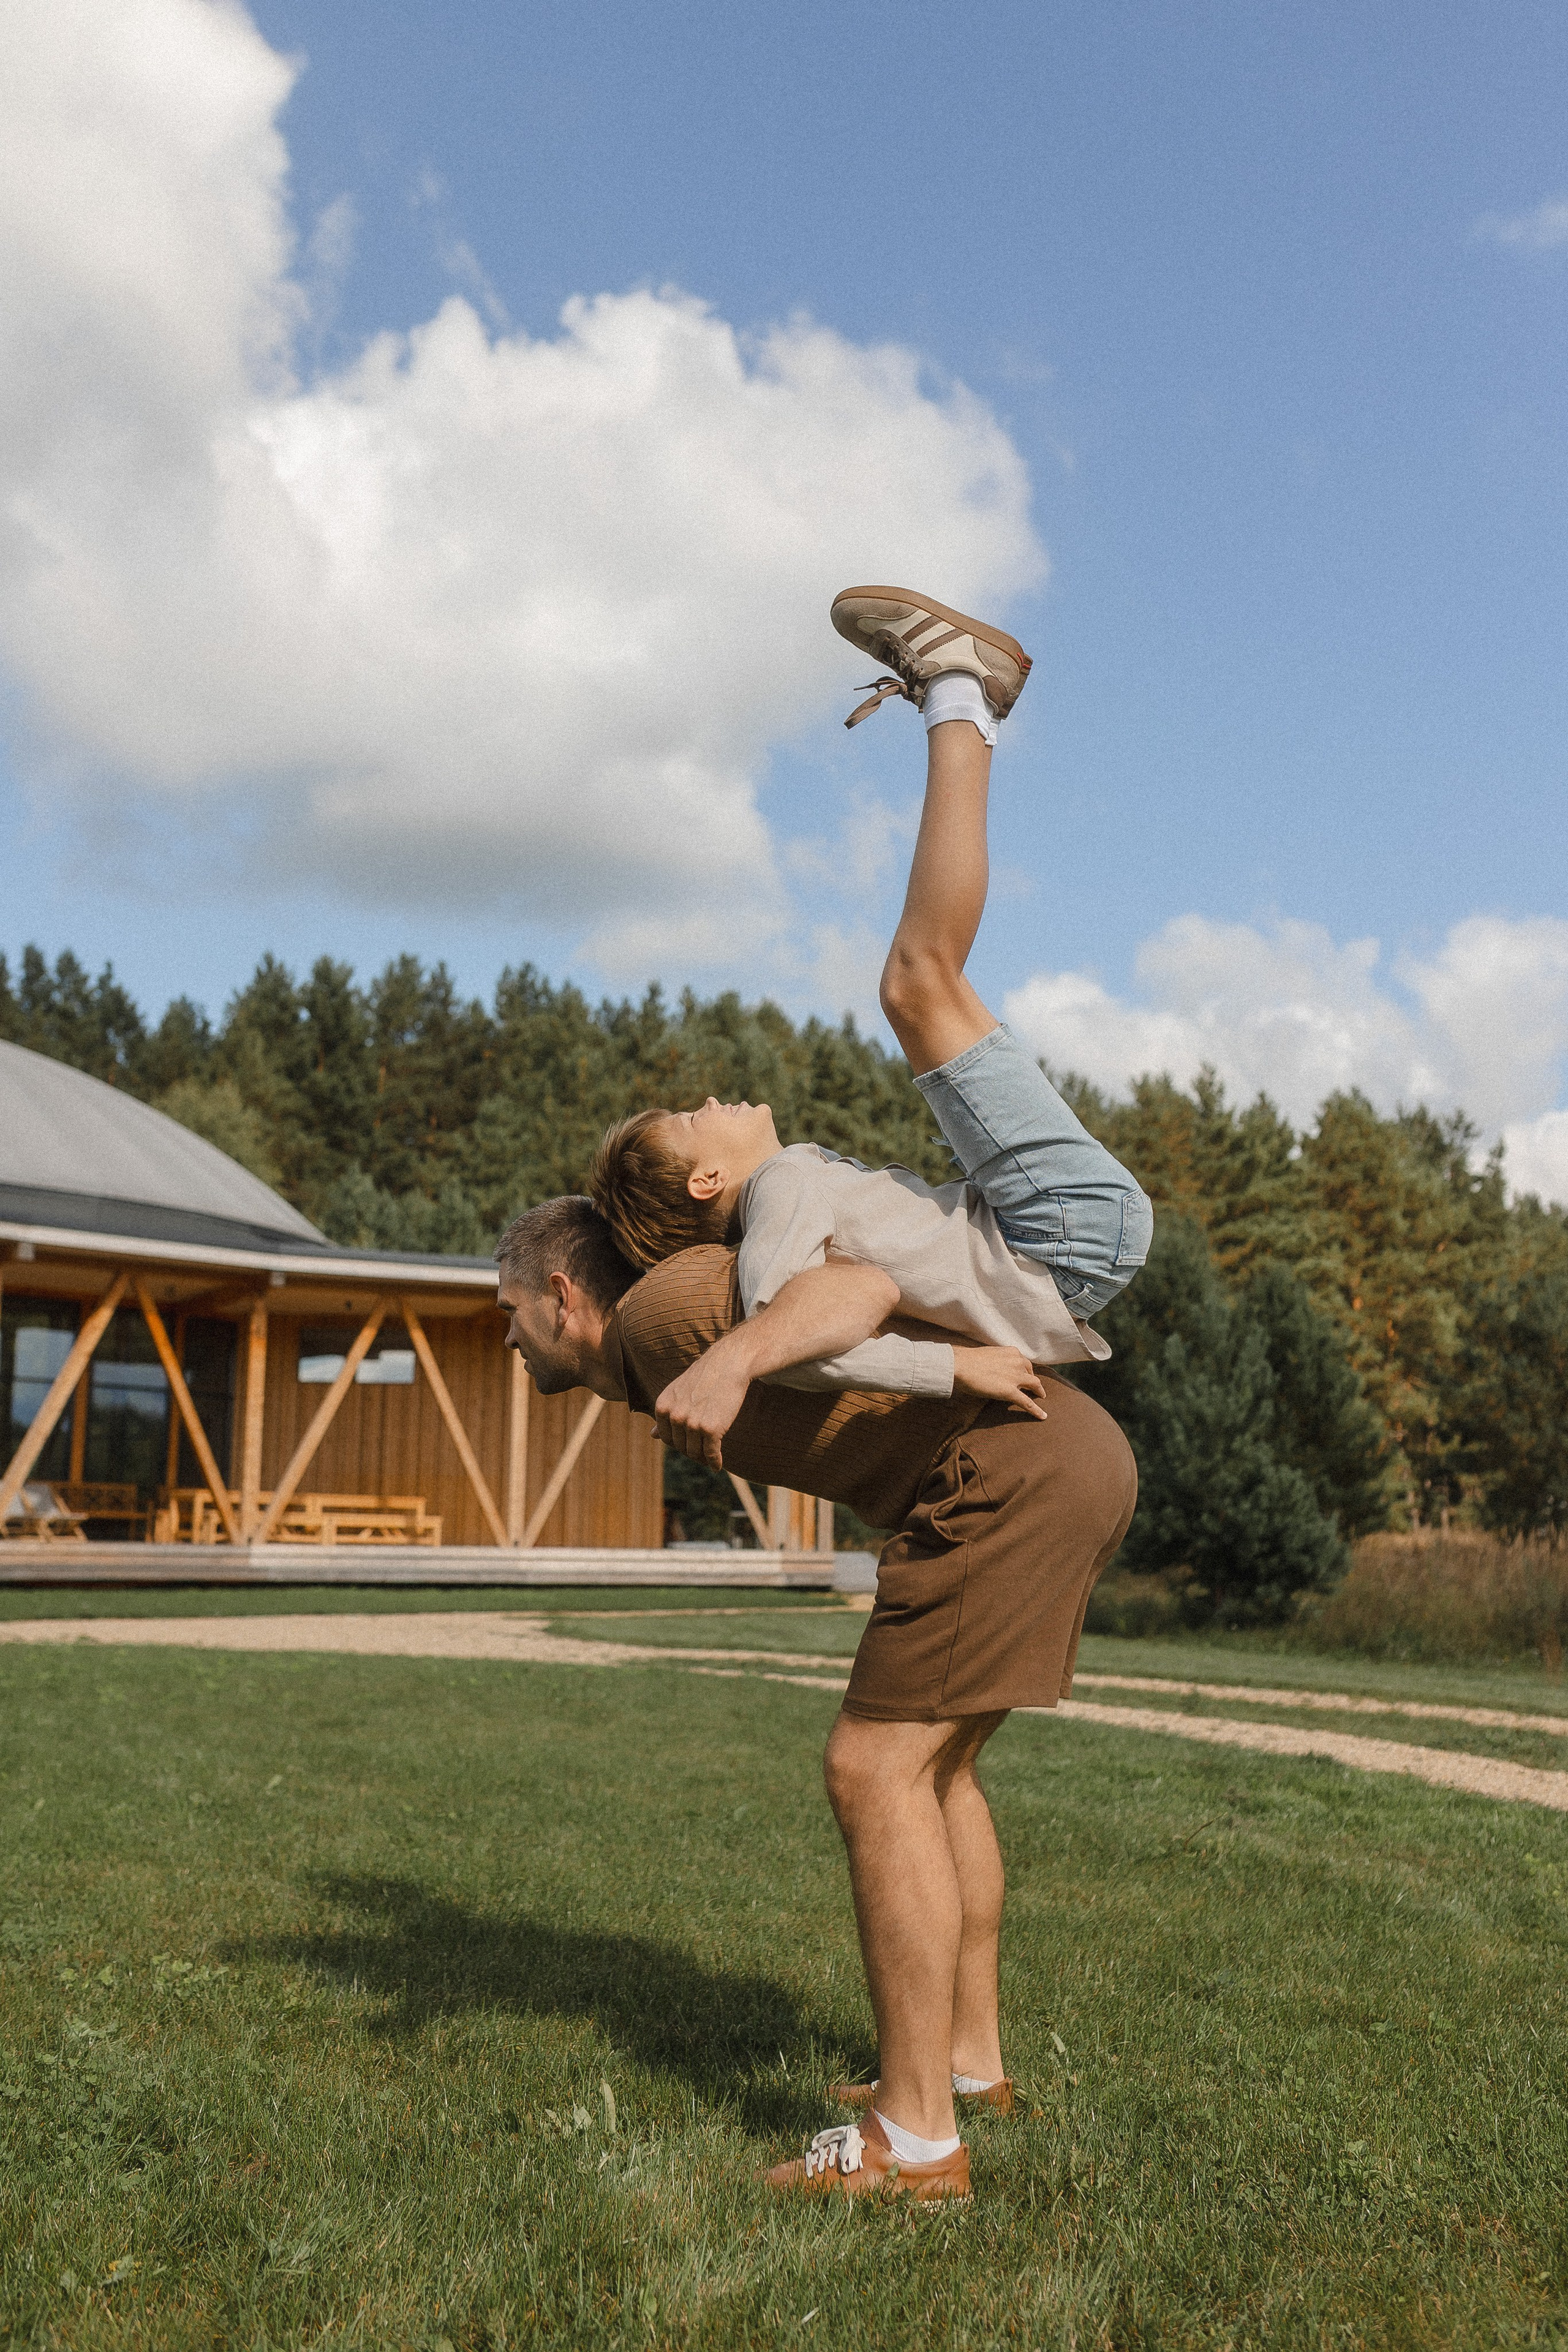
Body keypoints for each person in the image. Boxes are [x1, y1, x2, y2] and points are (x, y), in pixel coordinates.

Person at [494, 1188, 1137, 2202]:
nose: (508, 1340)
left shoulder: (665, 1315)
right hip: (1065, 1455)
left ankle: (913, 2147)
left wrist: (737, 1354)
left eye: (509, 1314)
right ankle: (968, 2071)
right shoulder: (651, 1359)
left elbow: (857, 1285)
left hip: (1010, 1469)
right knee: (934, 1770)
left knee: (870, 1767)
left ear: (564, 1297)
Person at [588, 587, 1153, 1418]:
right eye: (689, 1117)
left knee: (916, 984)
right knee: (915, 984)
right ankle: (961, 686)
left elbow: (828, 1312)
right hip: (1055, 1233)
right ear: (707, 1180)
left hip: (1048, 1235)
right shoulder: (776, 1193)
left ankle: (961, 691)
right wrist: (952, 1373)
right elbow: (782, 1344)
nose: (708, 1100)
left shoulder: (787, 1191)